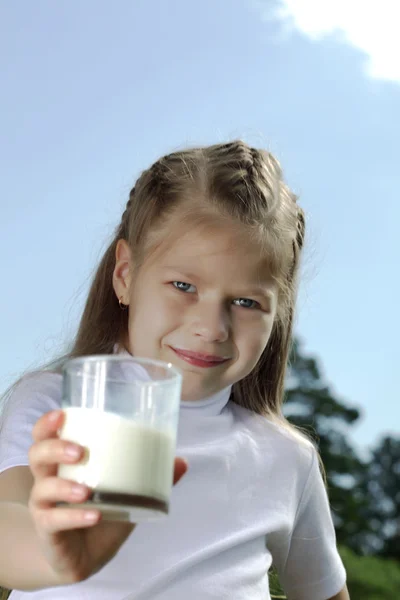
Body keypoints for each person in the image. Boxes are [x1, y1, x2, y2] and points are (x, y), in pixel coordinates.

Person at [0, 140, 350, 600]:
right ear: (125, 275)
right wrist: (55, 551)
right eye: (183, 286)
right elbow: (8, 533)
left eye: (246, 302)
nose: (211, 327)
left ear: (277, 314)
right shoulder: (56, 404)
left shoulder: (287, 459)